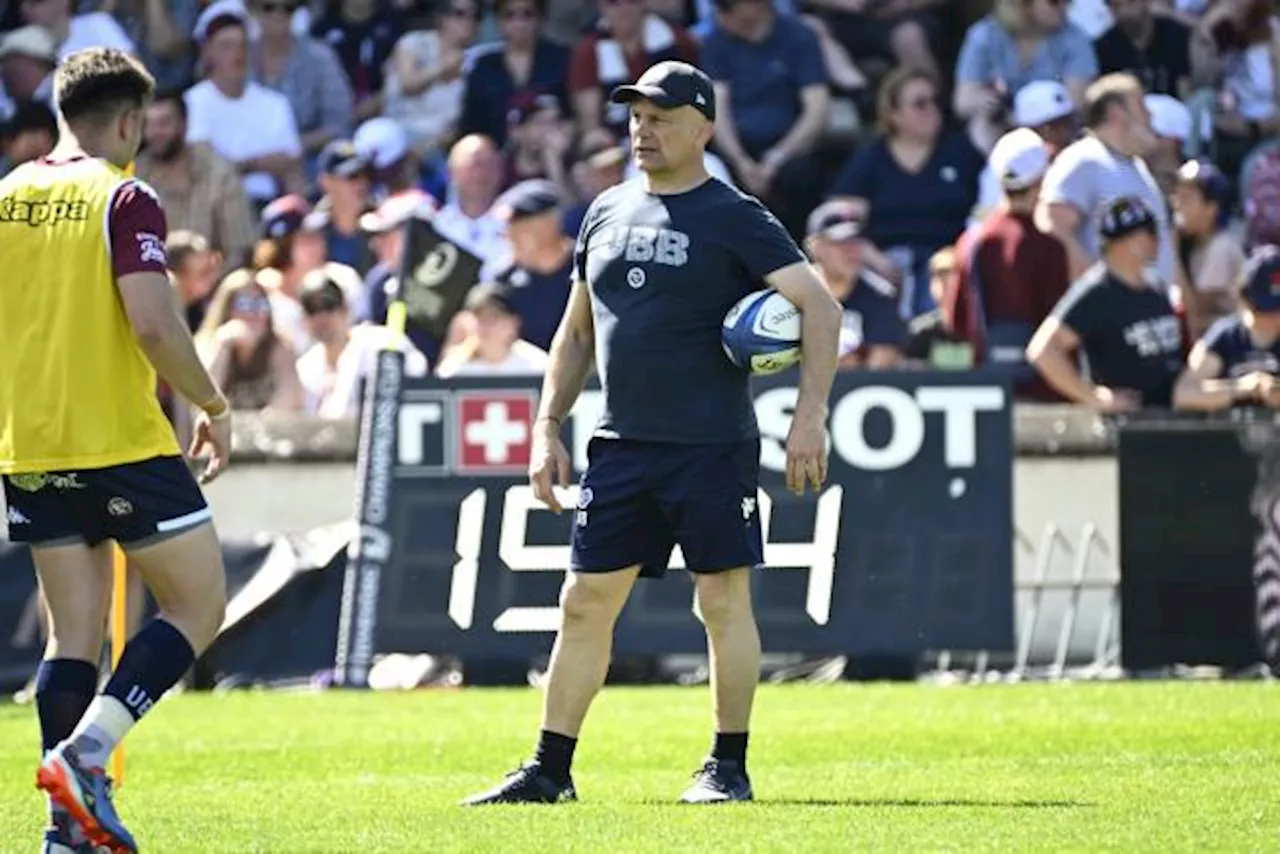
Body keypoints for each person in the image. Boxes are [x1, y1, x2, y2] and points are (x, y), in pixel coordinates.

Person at [461, 60, 841, 806]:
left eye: (661, 115)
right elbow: (574, 336)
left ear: (703, 126)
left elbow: (819, 310)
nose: (643, 128)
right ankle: (550, 770)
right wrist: (546, 427)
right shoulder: (603, 211)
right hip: (621, 443)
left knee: (722, 602)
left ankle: (727, 766)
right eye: (636, 114)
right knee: (582, 601)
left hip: (709, 445)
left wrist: (809, 415)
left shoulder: (734, 213)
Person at [0, 48, 231, 853]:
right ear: (130, 121)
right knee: (199, 604)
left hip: (29, 446)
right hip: (119, 443)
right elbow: (154, 324)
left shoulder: (6, 197)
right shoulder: (124, 195)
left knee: (73, 640)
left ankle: (65, 833)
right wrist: (211, 401)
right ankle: (87, 757)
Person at [1027, 196, 1184, 410]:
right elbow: (1043, 351)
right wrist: (1093, 397)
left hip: (1169, 419)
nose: (1156, 240)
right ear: (1126, 242)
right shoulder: (1097, 293)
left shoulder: (1155, 286)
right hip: (1125, 428)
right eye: (1148, 233)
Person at [1174, 245, 1280, 411]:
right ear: (1244, 299)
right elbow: (1184, 393)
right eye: (1267, 309)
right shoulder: (1225, 336)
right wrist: (1240, 388)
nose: (1275, 317)